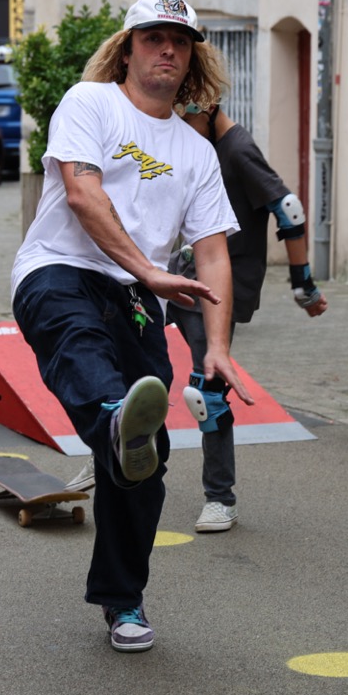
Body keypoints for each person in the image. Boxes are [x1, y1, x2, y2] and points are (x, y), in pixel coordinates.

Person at [10, 0, 251, 654]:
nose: (167, 50)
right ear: (127, 48)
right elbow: (82, 193)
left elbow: (212, 253)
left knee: (146, 463)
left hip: (138, 297)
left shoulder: (197, 152)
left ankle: (123, 599)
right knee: (81, 345)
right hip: (58, 269)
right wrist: (147, 268)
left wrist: (218, 346)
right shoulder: (91, 104)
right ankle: (114, 417)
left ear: (192, 57)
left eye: (180, 42)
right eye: (153, 38)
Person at [68, 102, 328, 535]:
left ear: (203, 107)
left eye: (183, 117)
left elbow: (288, 208)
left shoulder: (237, 148)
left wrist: (303, 284)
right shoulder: (193, 142)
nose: (178, 128)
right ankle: (107, 455)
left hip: (219, 285)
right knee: (126, 365)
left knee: (207, 393)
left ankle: (220, 498)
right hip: (176, 272)